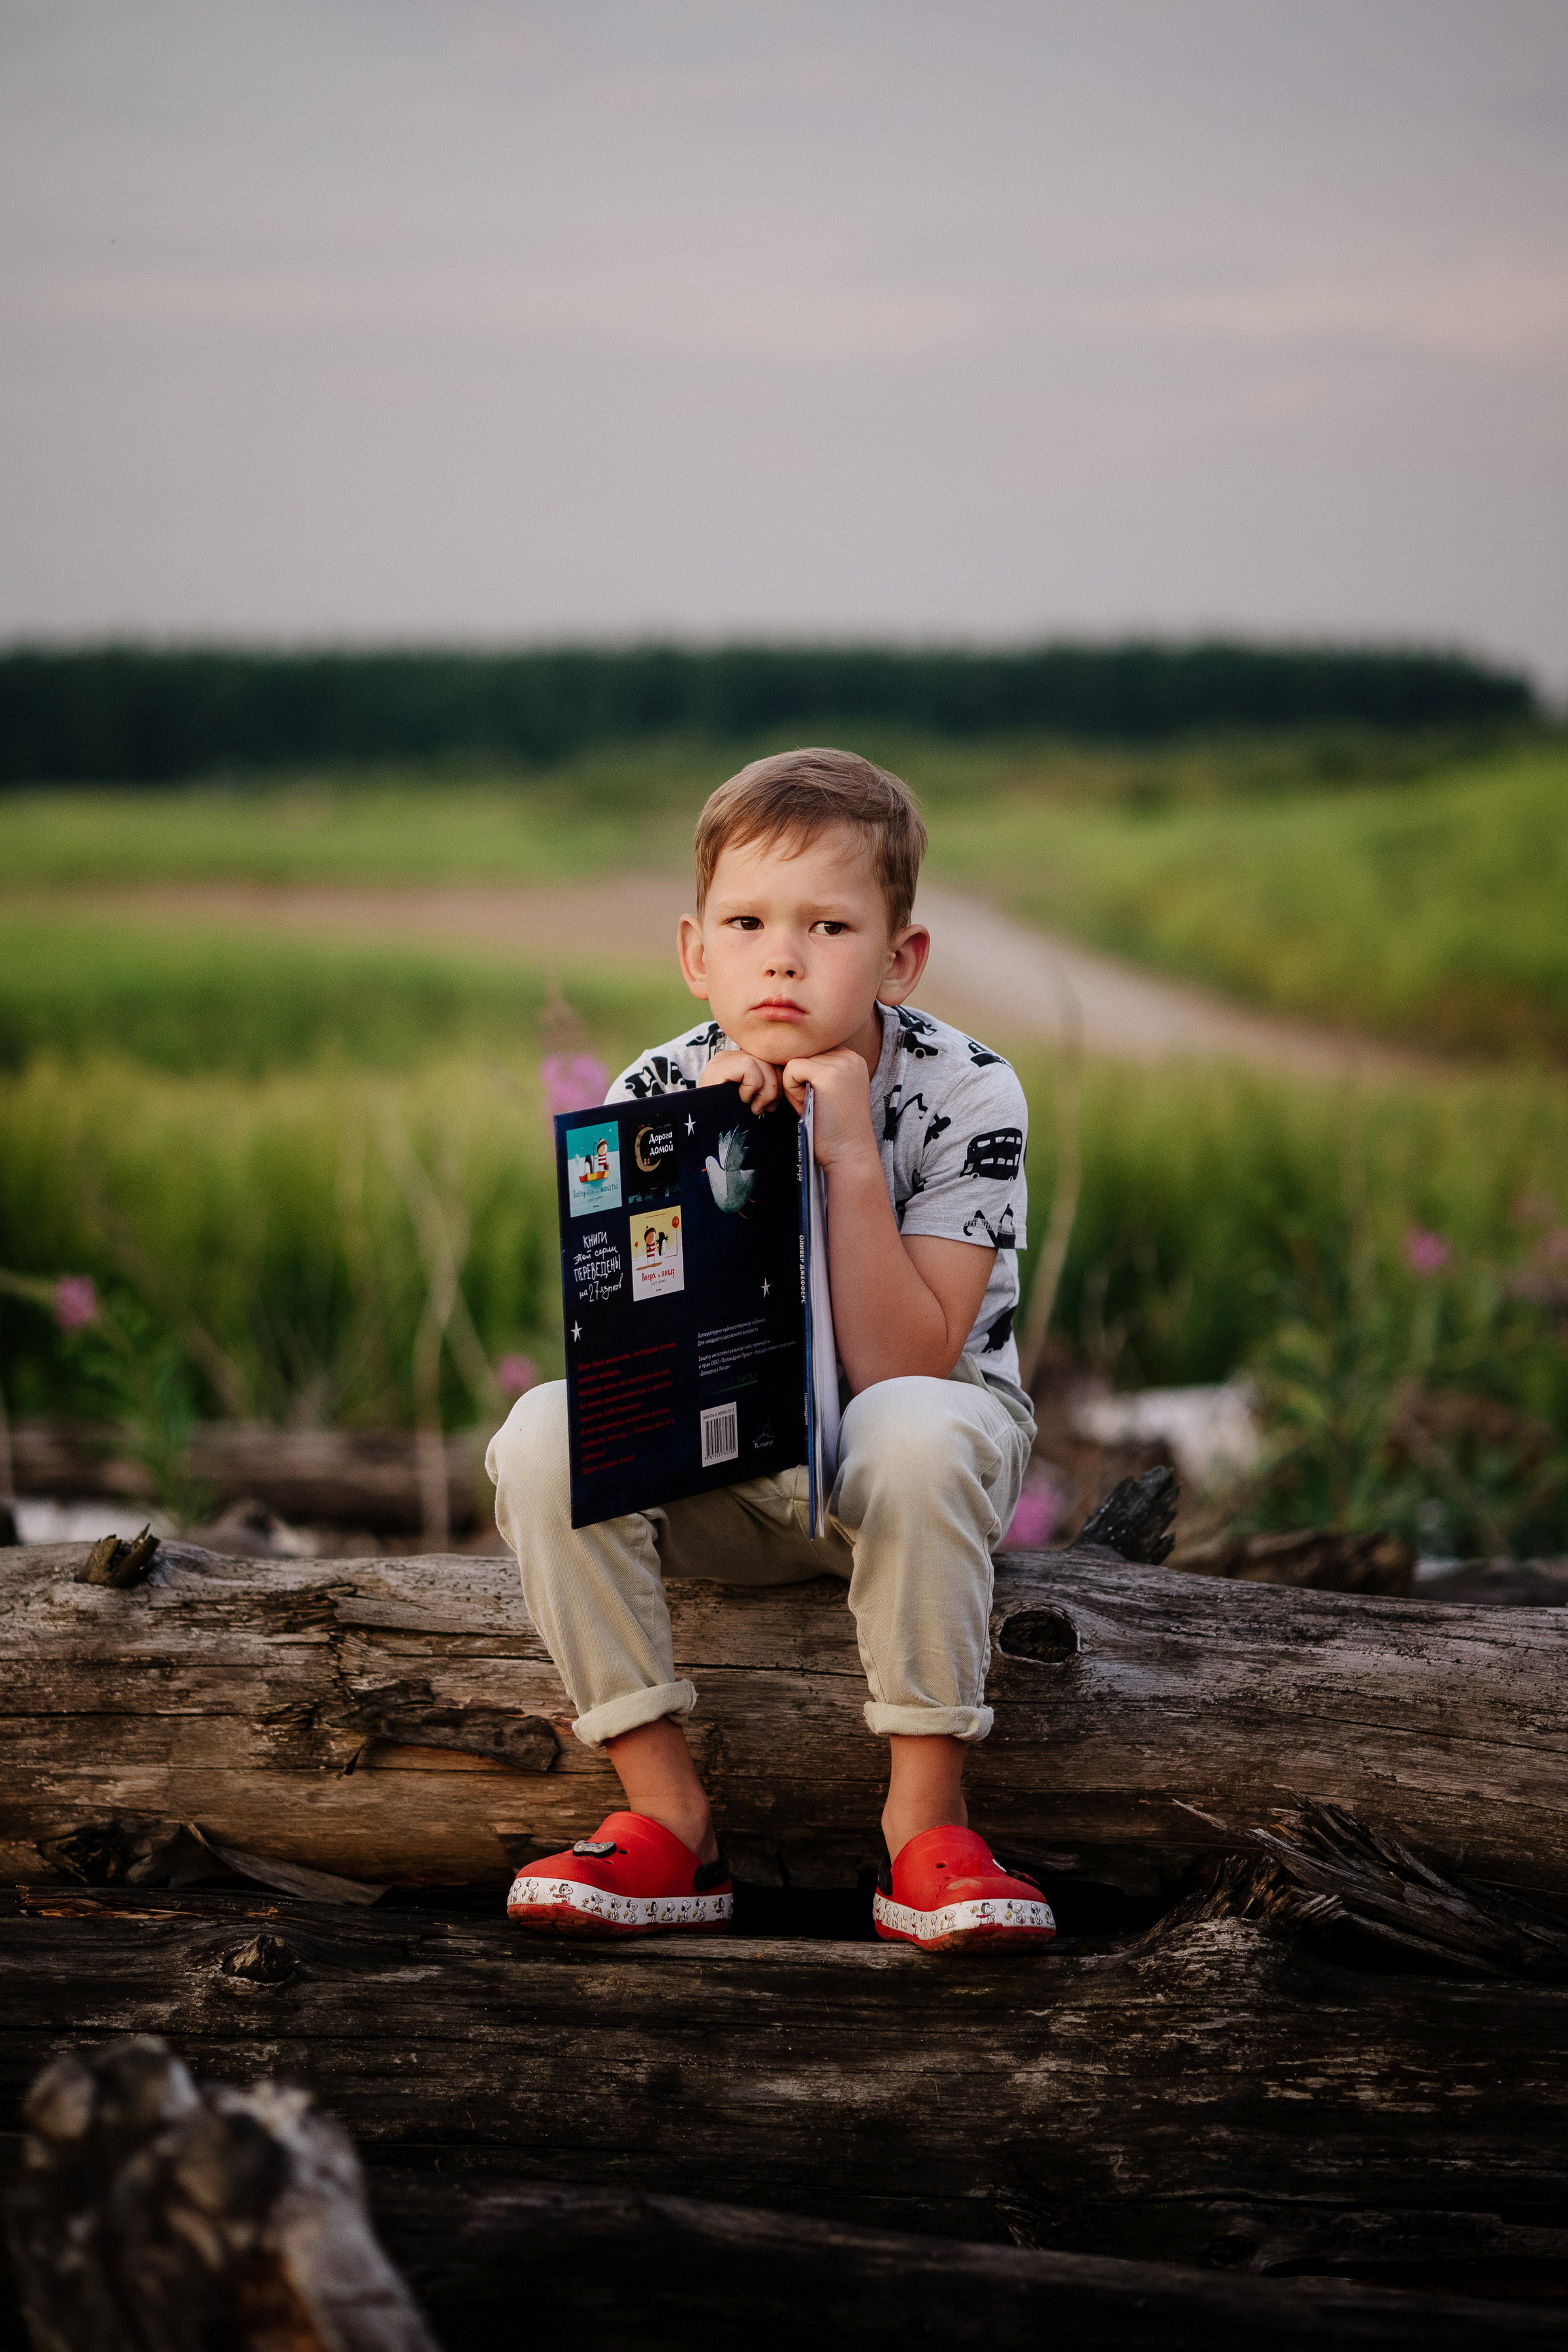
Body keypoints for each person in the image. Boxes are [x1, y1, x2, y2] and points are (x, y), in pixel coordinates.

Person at [487, 747, 1054, 1953]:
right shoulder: (656, 1090)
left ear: (900, 957)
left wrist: (846, 1152)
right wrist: (708, 1156)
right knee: (543, 1429)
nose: (782, 956)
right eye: (746, 922)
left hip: (910, 1476)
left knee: (912, 1428)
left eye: (829, 924)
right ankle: (664, 1814)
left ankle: (926, 1826)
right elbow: (636, 1360)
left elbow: (906, 1372)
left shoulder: (968, 1093)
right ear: (696, 952)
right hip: (735, 1475)